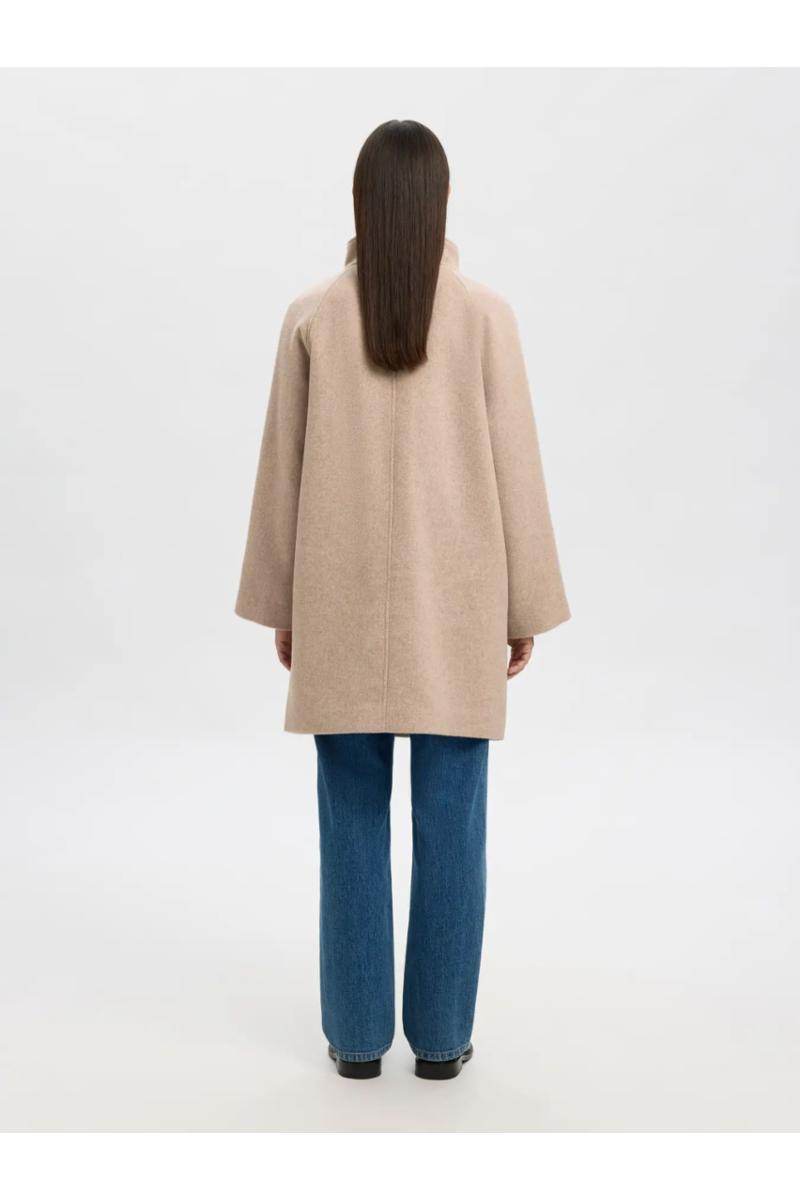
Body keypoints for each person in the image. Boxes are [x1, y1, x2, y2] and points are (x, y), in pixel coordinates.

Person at [235, 119, 569, 1081]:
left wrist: (285, 603)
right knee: (453, 827)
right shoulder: (485, 318)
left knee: (350, 824)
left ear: (360, 203)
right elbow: (517, 471)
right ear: (441, 205)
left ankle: (355, 1042)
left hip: (339, 609)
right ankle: (441, 1043)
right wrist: (522, 608)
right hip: (456, 612)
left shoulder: (311, 316)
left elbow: (283, 473)